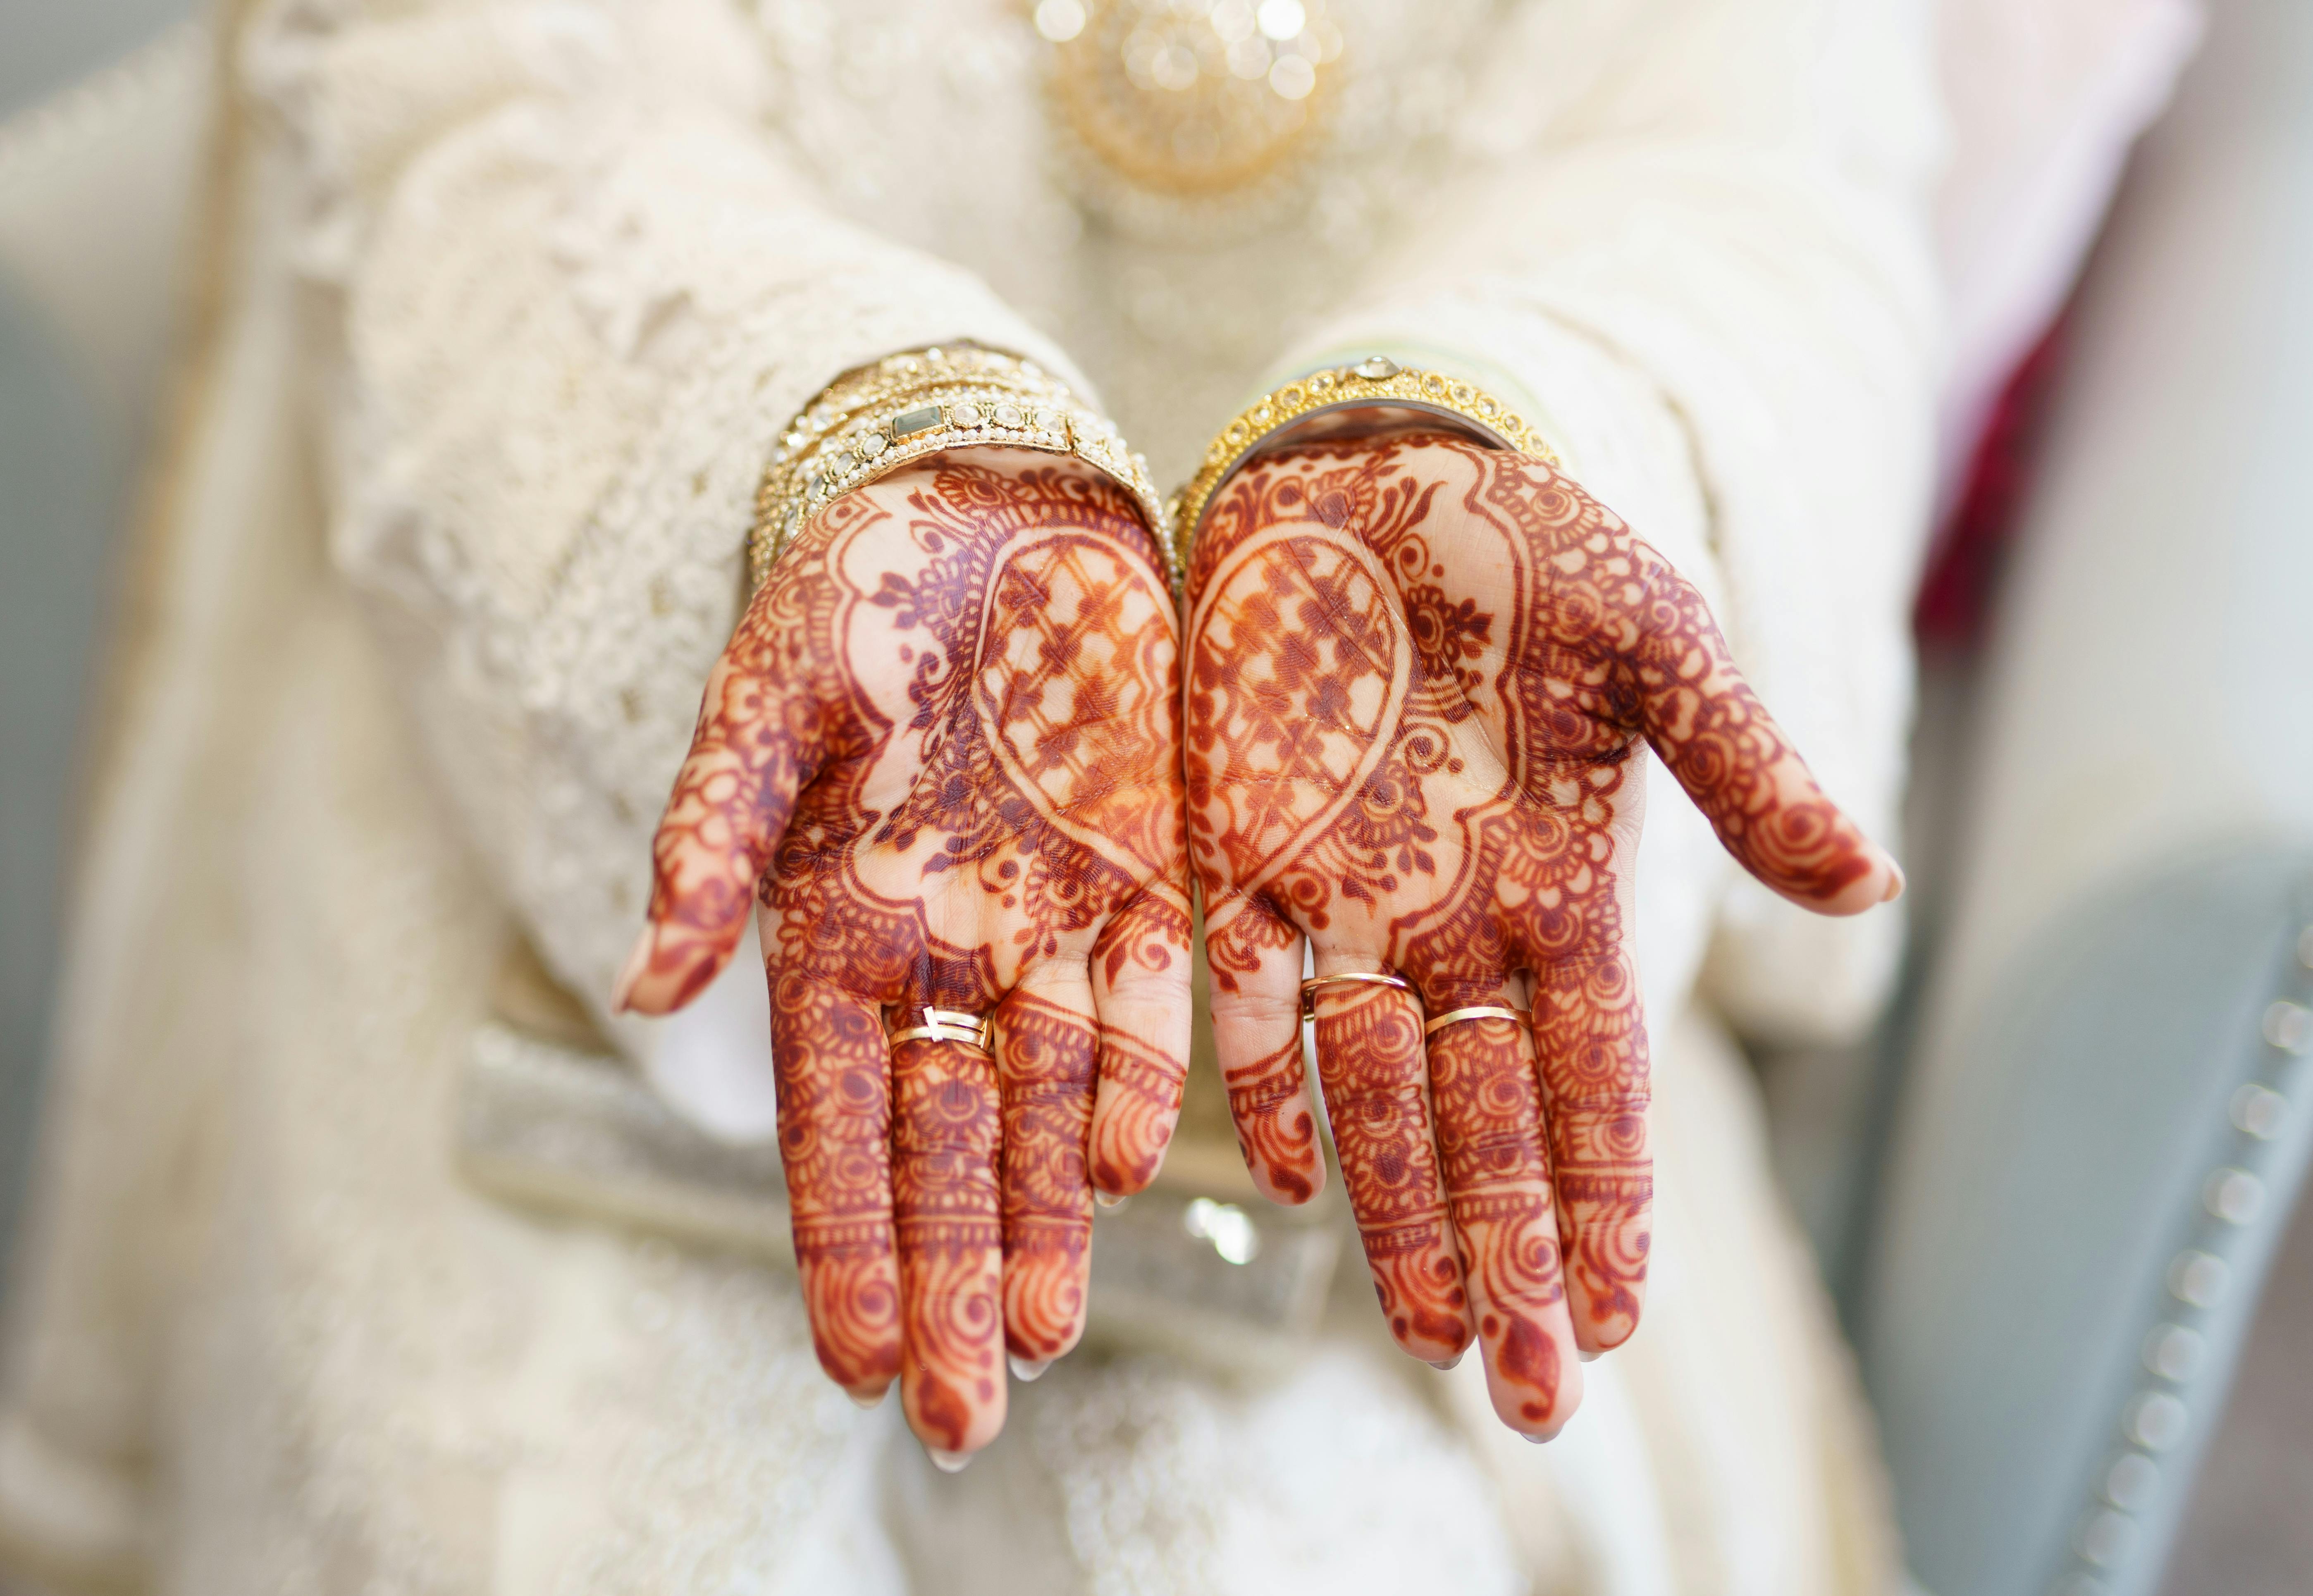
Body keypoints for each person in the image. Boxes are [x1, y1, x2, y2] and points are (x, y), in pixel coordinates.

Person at [0, 0, 1935, 1589]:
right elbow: (495, 135)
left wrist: (1498, 425)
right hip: (559, 970)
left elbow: (1758, 190)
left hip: (1419, 975)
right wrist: (853, 438)